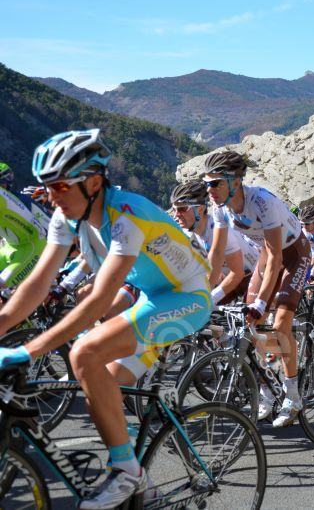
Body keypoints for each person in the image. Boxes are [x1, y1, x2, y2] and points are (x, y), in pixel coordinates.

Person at [0, 129, 211, 508]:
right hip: (150, 299)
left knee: (84, 353)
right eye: (47, 187)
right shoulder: (68, 218)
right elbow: (35, 285)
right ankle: (142, 485)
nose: (51, 197)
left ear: (93, 182)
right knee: (99, 384)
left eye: (61, 185)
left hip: (188, 299)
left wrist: (28, 351)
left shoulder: (125, 214)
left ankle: (126, 471)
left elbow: (99, 299)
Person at [203, 150, 311, 428]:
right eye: (207, 183)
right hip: (267, 254)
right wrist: (204, 293)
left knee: (281, 322)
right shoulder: (219, 208)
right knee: (251, 325)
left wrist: (263, 302)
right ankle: (267, 389)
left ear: (235, 182)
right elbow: (216, 253)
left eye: (215, 183)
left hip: (293, 253)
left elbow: (277, 257)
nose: (210, 189)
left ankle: (293, 396)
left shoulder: (262, 201)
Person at [170, 180, 260, 306]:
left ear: (200, 210)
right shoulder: (190, 235)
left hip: (253, 275)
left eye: (182, 209)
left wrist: (211, 297)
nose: (176, 215)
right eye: (174, 210)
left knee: (249, 319)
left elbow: (237, 273)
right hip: (228, 278)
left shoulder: (218, 231)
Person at [0, 162, 48, 291]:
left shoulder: (25, 200)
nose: (7, 184)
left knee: (4, 287)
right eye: (6, 180)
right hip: (9, 246)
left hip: (31, 246)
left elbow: (49, 224)